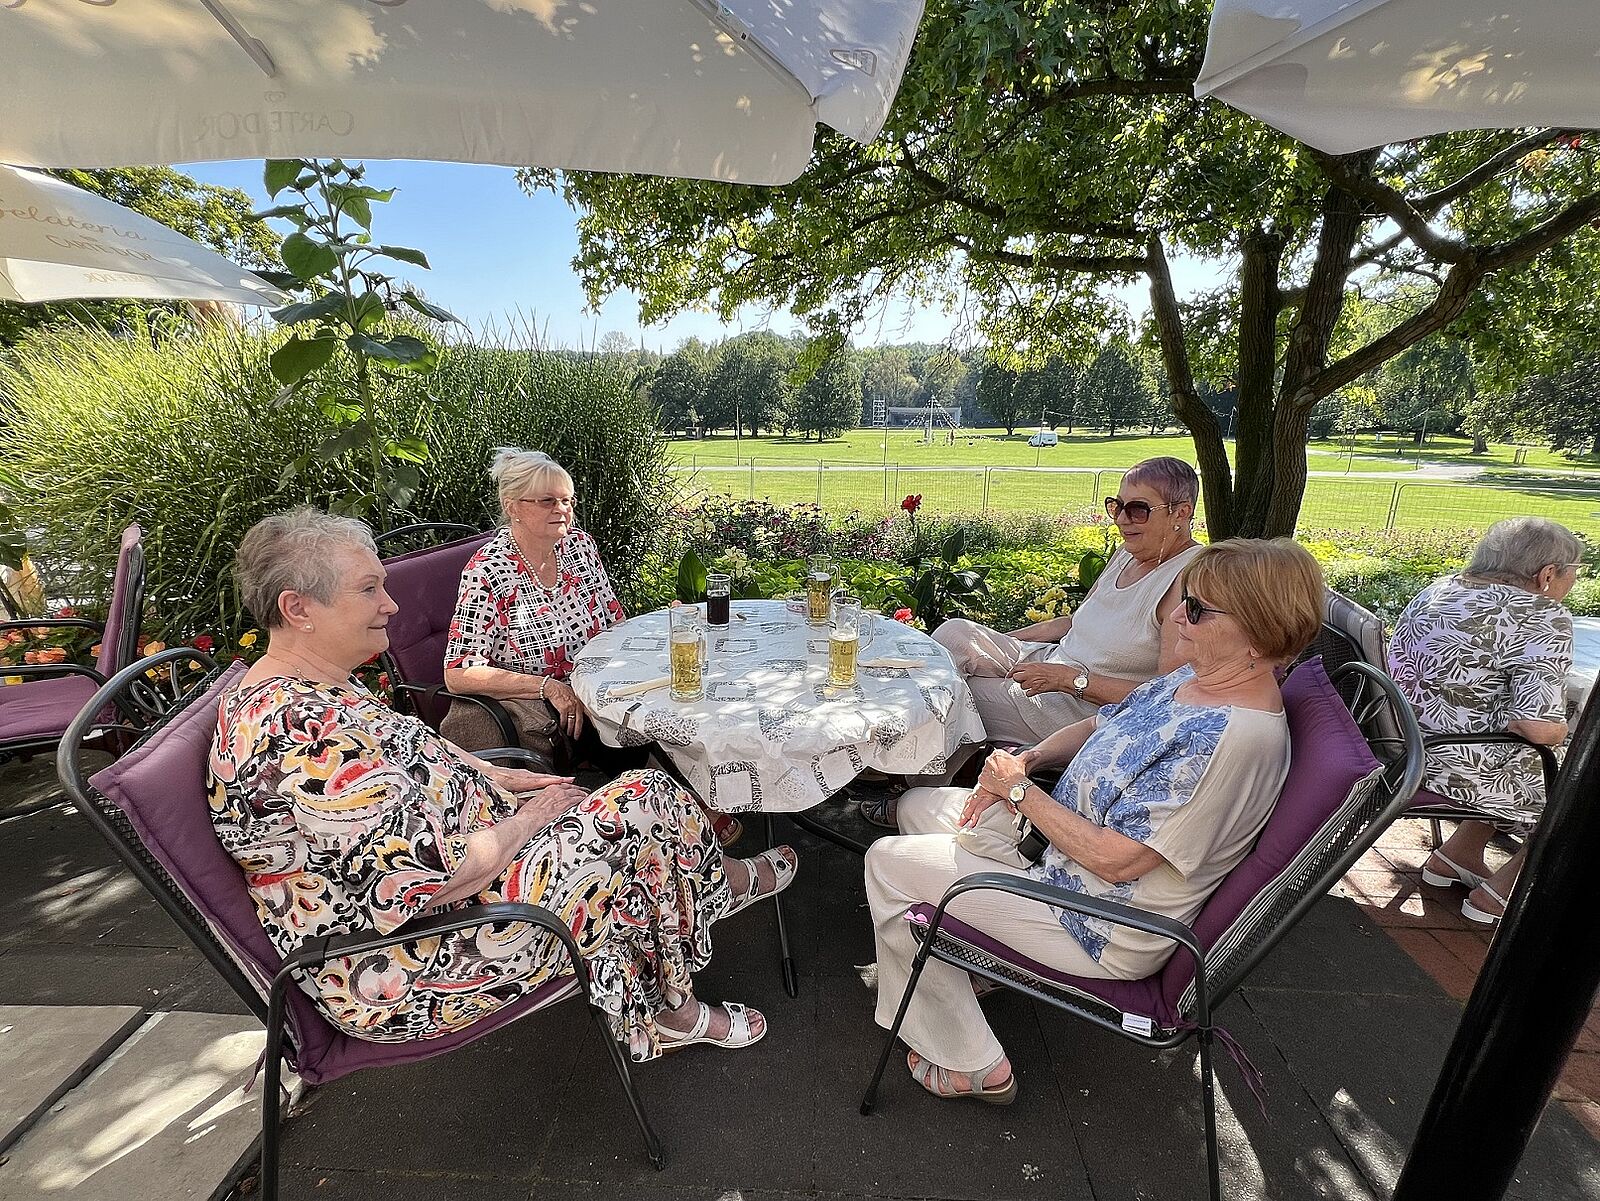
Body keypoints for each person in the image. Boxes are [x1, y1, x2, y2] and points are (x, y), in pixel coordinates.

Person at [209, 508, 797, 1059]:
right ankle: (677, 999)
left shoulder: (319, 687)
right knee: (643, 806)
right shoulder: (295, 731)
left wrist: (486, 772)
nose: (390, 605)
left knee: (645, 804)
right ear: (298, 608)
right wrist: (529, 820)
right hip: (409, 962)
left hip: (465, 884)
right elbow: (418, 887)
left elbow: (407, 760)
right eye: (369, 590)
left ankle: (712, 892)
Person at [864, 539, 1323, 1103]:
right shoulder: (1195, 681)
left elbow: (1117, 859)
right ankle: (961, 964)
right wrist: (1030, 760)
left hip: (1098, 920)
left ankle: (972, 1062)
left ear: (1258, 634)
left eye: (1197, 609)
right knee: (914, 809)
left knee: (886, 865)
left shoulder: (1230, 742)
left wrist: (1019, 791)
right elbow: (1100, 724)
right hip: (1058, 854)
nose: (1177, 615)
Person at [931, 456, 1206, 747]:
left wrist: (1068, 680)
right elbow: (1075, 621)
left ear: (1180, 513)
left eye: (1138, 509)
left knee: (956, 694)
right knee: (955, 634)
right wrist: (998, 645)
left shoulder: (1187, 579)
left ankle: (909, 776)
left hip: (1075, 707)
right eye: (1117, 505)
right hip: (1053, 664)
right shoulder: (1129, 553)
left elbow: (1168, 694)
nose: (1122, 519)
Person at [1388, 517, 1581, 926]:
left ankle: (1456, 856)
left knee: (1512, 748)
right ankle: (1499, 895)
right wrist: (1568, 731)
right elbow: (1536, 725)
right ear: (1547, 575)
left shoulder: (1441, 588)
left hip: (1399, 743)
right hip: (1451, 765)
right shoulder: (1542, 616)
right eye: (1573, 573)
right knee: (1583, 793)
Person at [442, 448, 623, 762]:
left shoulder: (578, 546)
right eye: (547, 501)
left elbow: (613, 620)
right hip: (553, 712)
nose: (562, 509)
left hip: (600, 688)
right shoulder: (489, 572)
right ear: (513, 507)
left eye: (567, 500)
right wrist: (550, 687)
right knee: (650, 741)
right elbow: (458, 674)